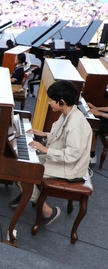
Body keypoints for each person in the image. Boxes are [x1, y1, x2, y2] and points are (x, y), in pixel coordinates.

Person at [10, 80, 92, 226]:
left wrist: (44, 149)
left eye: (51, 100)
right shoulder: (67, 112)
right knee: (22, 164)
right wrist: (44, 134)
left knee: (24, 172)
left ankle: (48, 211)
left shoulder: (75, 124)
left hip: (71, 167)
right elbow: (61, 136)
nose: (48, 102)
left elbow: (72, 155)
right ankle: (27, 193)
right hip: (63, 160)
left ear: (61, 102)